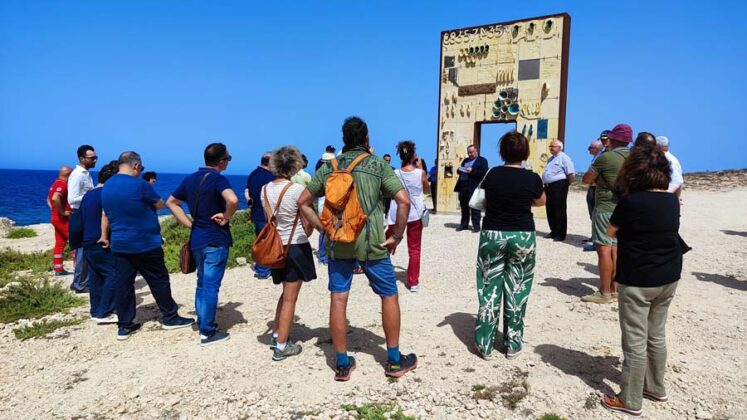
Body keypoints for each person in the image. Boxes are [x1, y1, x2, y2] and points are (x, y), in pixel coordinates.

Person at [299, 116, 417, 381]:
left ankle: (342, 364)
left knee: (338, 298)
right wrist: (397, 236)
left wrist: (323, 229)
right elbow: (404, 201)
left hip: (339, 242)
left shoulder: (330, 166)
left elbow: (304, 202)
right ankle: (394, 361)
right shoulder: (377, 165)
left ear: (344, 139)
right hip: (372, 242)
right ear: (366, 138)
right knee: (388, 295)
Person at [601, 144, 683, 416]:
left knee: (635, 341)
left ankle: (630, 399)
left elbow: (610, 232)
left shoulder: (631, 202)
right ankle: (655, 387)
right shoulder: (672, 200)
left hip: (637, 278)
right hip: (669, 275)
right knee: (656, 335)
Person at [102, 151, 194, 340]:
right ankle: (170, 317)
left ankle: (125, 325)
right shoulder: (140, 184)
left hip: (120, 243)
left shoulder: (107, 185)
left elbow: (107, 213)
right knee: (159, 280)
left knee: (124, 284)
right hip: (145, 242)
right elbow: (160, 204)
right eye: (141, 168)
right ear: (136, 165)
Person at [474, 131, 545, 360]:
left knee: (489, 286)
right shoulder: (532, 177)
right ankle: (513, 343)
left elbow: (483, 198)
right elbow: (541, 201)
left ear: (502, 151)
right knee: (518, 287)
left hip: (493, 233)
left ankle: (485, 343)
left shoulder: (492, 174)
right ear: (525, 152)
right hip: (522, 234)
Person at [167, 143, 239, 346]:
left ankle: (202, 322)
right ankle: (207, 332)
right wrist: (226, 216)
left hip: (197, 237)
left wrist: (188, 223)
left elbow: (171, 202)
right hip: (215, 238)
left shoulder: (190, 179)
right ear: (221, 161)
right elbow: (233, 200)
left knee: (201, 283)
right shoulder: (218, 179)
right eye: (228, 159)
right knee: (210, 286)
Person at [261, 146, 318, 361]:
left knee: (285, 293)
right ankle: (282, 346)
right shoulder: (297, 190)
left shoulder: (264, 189)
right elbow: (307, 220)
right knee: (290, 298)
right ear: (295, 166)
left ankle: (277, 332)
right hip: (295, 245)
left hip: (276, 246)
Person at [581, 123, 632, 304]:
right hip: (626, 207)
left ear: (614, 139)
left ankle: (604, 292)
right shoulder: (634, 157)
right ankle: (616, 289)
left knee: (604, 249)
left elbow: (586, 179)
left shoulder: (606, 157)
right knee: (617, 249)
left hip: (605, 206)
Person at [77, 160, 119, 324]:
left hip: (87, 240)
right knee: (113, 274)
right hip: (102, 239)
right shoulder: (107, 194)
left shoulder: (88, 195)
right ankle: (105, 312)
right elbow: (106, 215)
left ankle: (96, 310)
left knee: (95, 277)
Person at [385, 141, 429, 292]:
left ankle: (384, 274)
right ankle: (413, 282)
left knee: (388, 243)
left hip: (396, 212)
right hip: (414, 213)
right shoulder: (420, 173)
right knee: (414, 249)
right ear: (413, 156)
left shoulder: (395, 173)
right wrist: (421, 168)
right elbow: (427, 190)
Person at [68, 145, 97, 293]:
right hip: (80, 214)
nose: (95, 160)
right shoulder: (78, 175)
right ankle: (79, 284)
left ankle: (82, 281)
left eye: (95, 157)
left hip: (85, 213)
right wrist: (91, 196)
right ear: (82, 158)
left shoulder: (86, 174)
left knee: (86, 249)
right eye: (92, 158)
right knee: (81, 250)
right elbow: (72, 199)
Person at [245, 152, 275, 279]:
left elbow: (247, 192)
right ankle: (264, 270)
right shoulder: (270, 177)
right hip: (266, 214)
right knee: (267, 243)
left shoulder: (253, 174)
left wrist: (250, 204)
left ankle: (260, 266)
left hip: (256, 213)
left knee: (259, 241)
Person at [542, 139, 575, 241]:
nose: (551, 148)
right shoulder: (551, 159)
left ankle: (561, 234)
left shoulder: (564, 158)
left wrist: (566, 184)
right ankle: (554, 231)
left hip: (559, 186)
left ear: (560, 148)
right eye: (550, 147)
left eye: (553, 146)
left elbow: (571, 174)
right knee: (550, 209)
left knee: (559, 209)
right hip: (549, 186)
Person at [455, 144, 488, 232]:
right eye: (468, 152)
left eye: (471, 152)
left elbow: (484, 173)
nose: (470, 154)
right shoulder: (465, 160)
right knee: (464, 208)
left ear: (476, 151)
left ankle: (476, 226)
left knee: (475, 208)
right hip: (463, 187)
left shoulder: (482, 161)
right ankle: (464, 225)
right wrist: (459, 170)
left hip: (474, 187)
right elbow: (460, 170)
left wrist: (472, 171)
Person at [47, 166, 73, 276]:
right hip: (62, 219)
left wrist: (54, 209)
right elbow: (55, 198)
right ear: (68, 175)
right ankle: (78, 268)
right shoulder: (62, 184)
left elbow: (48, 199)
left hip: (55, 218)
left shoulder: (55, 183)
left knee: (60, 243)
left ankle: (58, 269)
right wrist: (62, 212)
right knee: (74, 240)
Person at [314, 146, 336, 265]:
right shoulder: (335, 163)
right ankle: (328, 255)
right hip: (332, 198)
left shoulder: (319, 163)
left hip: (321, 198)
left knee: (323, 229)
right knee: (332, 228)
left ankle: (322, 255)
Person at [584, 137, 605, 252]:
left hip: (596, 187)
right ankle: (594, 236)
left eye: (590, 148)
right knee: (592, 212)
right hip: (591, 187)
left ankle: (597, 239)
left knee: (596, 213)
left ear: (596, 148)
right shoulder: (596, 157)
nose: (588, 150)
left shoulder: (602, 157)